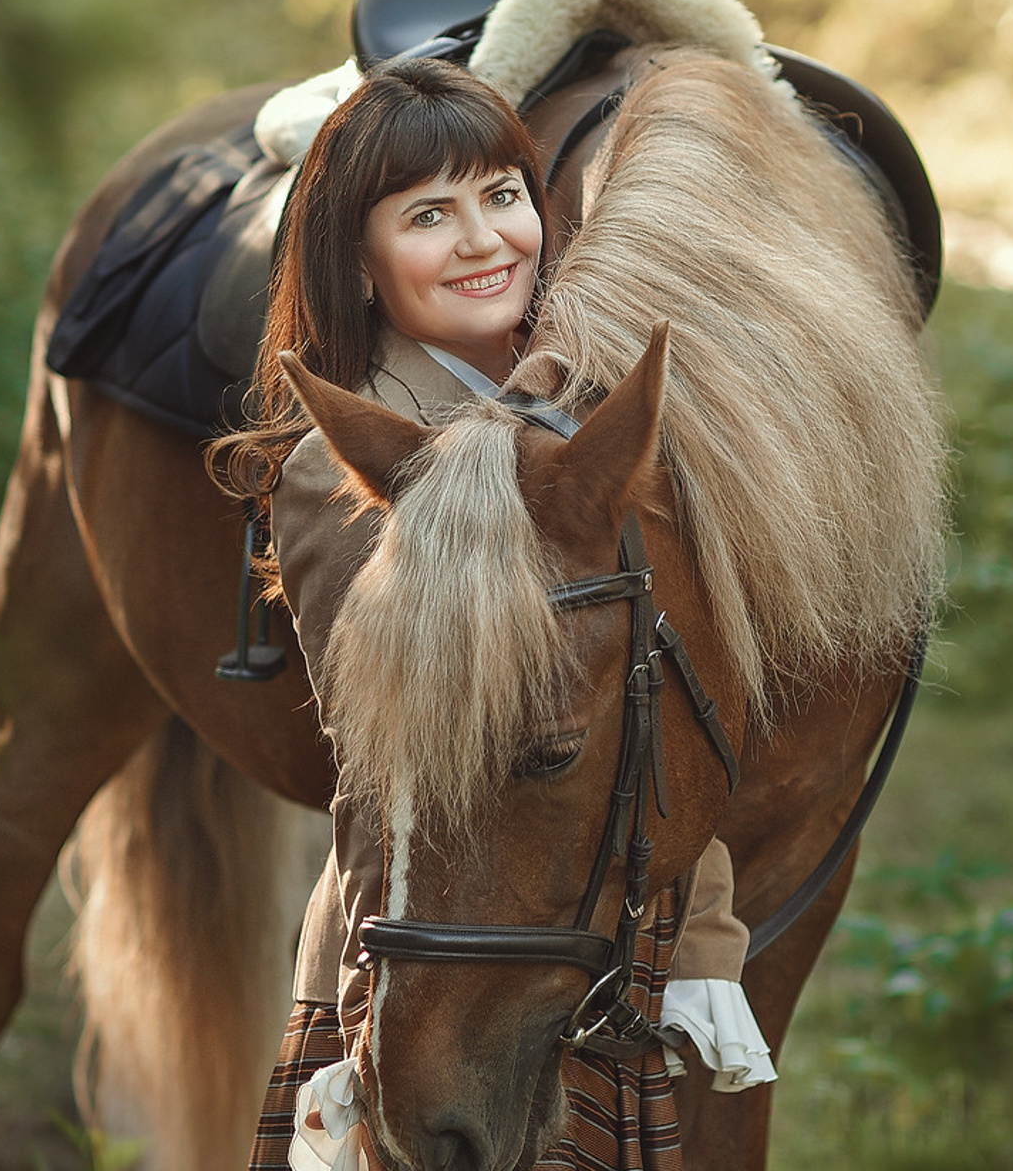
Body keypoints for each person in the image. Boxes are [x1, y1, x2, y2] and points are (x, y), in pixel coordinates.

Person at [217, 58, 774, 1171]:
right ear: (361, 263)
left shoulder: (578, 395)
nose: (483, 241)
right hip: (443, 952)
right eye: (428, 215)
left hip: (589, 914)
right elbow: (388, 790)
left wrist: (702, 933)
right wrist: (370, 1029)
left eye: (501, 196)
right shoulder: (339, 475)